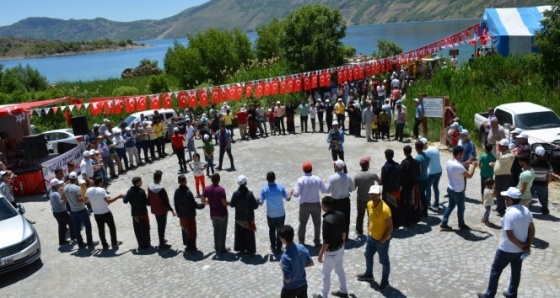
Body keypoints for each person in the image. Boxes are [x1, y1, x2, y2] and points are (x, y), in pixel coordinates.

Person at [477, 187, 535, 298]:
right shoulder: (526, 210)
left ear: (511, 200)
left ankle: (490, 294)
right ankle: (512, 294)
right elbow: (532, 229)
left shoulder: (509, 214)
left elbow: (509, 235)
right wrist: (527, 245)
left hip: (506, 249)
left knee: (496, 270)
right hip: (520, 250)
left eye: (506, 198)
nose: (505, 199)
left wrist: (523, 246)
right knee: (516, 271)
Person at [357, 185, 393, 292]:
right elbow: (370, 218)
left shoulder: (385, 209)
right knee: (368, 255)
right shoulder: (369, 204)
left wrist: (383, 240)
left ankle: (385, 282)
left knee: (384, 262)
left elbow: (390, 227)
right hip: (371, 237)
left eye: (376, 195)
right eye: (372, 194)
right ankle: (369, 274)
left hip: (382, 241)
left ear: (380, 195)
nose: (373, 196)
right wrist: (368, 230)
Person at [314, 196, 348, 298]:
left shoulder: (327, 220)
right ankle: (344, 291)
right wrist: (343, 243)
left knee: (326, 273)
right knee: (340, 270)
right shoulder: (341, 215)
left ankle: (323, 295)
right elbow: (344, 231)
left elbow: (326, 241)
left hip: (331, 253)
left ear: (323, 206)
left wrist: (320, 255)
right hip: (340, 249)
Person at [440, 147, 478, 231]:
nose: (462, 155)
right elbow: (469, 175)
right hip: (458, 191)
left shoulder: (449, 162)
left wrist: (466, 162)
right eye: (462, 154)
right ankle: (461, 224)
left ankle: (444, 222)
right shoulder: (458, 166)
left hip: (450, 188)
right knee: (461, 208)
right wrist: (473, 166)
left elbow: (458, 166)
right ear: (458, 154)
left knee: (450, 206)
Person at [291, 161, 328, 247]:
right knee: (317, 224)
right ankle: (317, 241)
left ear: (303, 170)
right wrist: (325, 183)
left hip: (304, 205)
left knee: (302, 223)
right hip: (315, 204)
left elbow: (296, 195)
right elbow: (324, 190)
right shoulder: (317, 179)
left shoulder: (300, 180)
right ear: (311, 169)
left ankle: (301, 241)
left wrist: (293, 191)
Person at [85, 176, 124, 250]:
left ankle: (104, 245)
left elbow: (86, 201)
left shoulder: (89, 190)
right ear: (101, 182)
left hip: (96, 214)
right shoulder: (102, 190)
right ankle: (114, 242)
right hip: (106, 212)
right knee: (112, 228)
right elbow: (108, 201)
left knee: (101, 230)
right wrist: (118, 196)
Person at [64, 172, 98, 249]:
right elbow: (79, 199)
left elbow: (63, 197)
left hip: (73, 210)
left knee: (77, 228)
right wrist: (86, 199)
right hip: (81, 209)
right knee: (88, 226)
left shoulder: (65, 187)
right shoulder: (77, 188)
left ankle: (80, 243)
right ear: (76, 179)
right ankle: (90, 243)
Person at [280, 225, 314, 298]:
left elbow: (287, 279)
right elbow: (311, 263)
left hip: (290, 288)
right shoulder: (301, 247)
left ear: (283, 240)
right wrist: (299, 265)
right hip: (303, 285)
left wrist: (282, 268)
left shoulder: (285, 257)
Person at [260, 171, 291, 254]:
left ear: (267, 179)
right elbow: (288, 198)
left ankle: (273, 246)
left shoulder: (264, 190)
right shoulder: (281, 188)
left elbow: (261, 203)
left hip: (271, 214)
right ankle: (279, 248)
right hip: (280, 213)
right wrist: (290, 193)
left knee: (271, 230)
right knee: (280, 231)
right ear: (275, 178)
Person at [174, 174, 205, 254]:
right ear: (185, 181)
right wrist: (203, 205)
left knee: (185, 230)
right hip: (189, 216)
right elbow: (194, 205)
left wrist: (178, 213)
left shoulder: (176, 192)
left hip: (182, 216)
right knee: (191, 232)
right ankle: (191, 248)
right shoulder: (188, 193)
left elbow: (175, 204)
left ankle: (188, 245)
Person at [230, 175, 259, 255]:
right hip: (249, 217)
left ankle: (241, 248)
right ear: (246, 183)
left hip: (239, 217)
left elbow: (232, 204)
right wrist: (257, 201)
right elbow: (255, 206)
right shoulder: (249, 194)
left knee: (240, 233)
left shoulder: (235, 194)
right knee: (249, 235)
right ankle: (250, 250)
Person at [326, 160, 355, 241]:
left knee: (335, 219)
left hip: (335, 202)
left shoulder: (332, 178)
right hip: (345, 201)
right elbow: (352, 188)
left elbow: (328, 191)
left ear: (335, 167)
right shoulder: (348, 176)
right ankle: (345, 237)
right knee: (346, 219)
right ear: (342, 167)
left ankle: (337, 236)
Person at [147, 170, 176, 250]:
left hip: (155, 210)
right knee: (162, 226)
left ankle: (162, 240)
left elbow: (148, 199)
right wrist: (171, 210)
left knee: (160, 225)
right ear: (160, 178)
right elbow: (165, 201)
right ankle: (161, 243)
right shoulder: (160, 189)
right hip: (162, 210)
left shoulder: (149, 186)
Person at [202, 173, 230, 254]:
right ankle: (222, 248)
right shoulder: (221, 190)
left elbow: (203, 200)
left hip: (213, 213)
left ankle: (217, 246)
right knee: (222, 230)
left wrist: (209, 203)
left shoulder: (207, 189)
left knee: (216, 230)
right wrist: (231, 203)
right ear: (219, 180)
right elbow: (224, 203)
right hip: (222, 213)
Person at [353, 157, 381, 237]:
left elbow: (354, 188)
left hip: (361, 198)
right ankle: (371, 229)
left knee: (360, 215)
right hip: (370, 199)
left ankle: (359, 230)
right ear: (368, 165)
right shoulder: (373, 174)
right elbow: (380, 181)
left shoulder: (356, 176)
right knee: (371, 215)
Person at [124, 176, 151, 250]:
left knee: (137, 230)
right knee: (144, 229)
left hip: (134, 214)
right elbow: (147, 202)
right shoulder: (141, 191)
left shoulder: (129, 191)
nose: (142, 182)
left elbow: (125, 201)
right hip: (142, 213)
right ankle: (146, 244)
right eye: (140, 181)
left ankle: (140, 244)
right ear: (137, 183)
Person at [492, 139, 516, 217]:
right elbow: (500, 162)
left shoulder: (509, 155)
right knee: (497, 193)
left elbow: (499, 158)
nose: (499, 147)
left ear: (505, 147)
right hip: (498, 176)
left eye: (501, 146)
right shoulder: (503, 154)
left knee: (501, 194)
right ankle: (499, 207)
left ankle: (501, 209)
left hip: (504, 177)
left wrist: (497, 148)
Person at [49, 178, 75, 245]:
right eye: (58, 184)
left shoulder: (52, 191)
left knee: (62, 226)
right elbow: (62, 203)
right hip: (61, 212)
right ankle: (73, 237)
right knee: (72, 222)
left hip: (56, 213)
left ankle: (62, 241)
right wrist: (66, 196)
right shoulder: (56, 194)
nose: (60, 185)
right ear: (55, 186)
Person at [400, 146, 420, 227]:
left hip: (407, 186)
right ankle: (415, 219)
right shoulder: (416, 162)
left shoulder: (404, 163)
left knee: (407, 203)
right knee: (415, 202)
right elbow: (419, 173)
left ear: (404, 152)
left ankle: (407, 221)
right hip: (414, 185)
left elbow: (402, 176)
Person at [530, 146, 553, 214]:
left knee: (528, 196)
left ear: (534, 154)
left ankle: (526, 209)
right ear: (543, 155)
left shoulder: (531, 163)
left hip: (532, 183)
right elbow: (550, 175)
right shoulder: (548, 164)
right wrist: (547, 183)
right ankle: (545, 210)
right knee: (544, 198)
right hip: (543, 183)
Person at [423, 138, 442, 209]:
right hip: (439, 171)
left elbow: (426, 164)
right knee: (436, 187)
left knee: (428, 187)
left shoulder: (427, 152)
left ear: (424, 145)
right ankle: (436, 202)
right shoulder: (435, 148)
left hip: (432, 172)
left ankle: (428, 202)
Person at [415, 140, 430, 217]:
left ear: (416, 148)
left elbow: (418, 171)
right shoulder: (427, 156)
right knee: (423, 195)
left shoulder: (417, 158)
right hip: (426, 178)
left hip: (420, 180)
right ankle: (425, 211)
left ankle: (420, 211)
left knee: (418, 197)